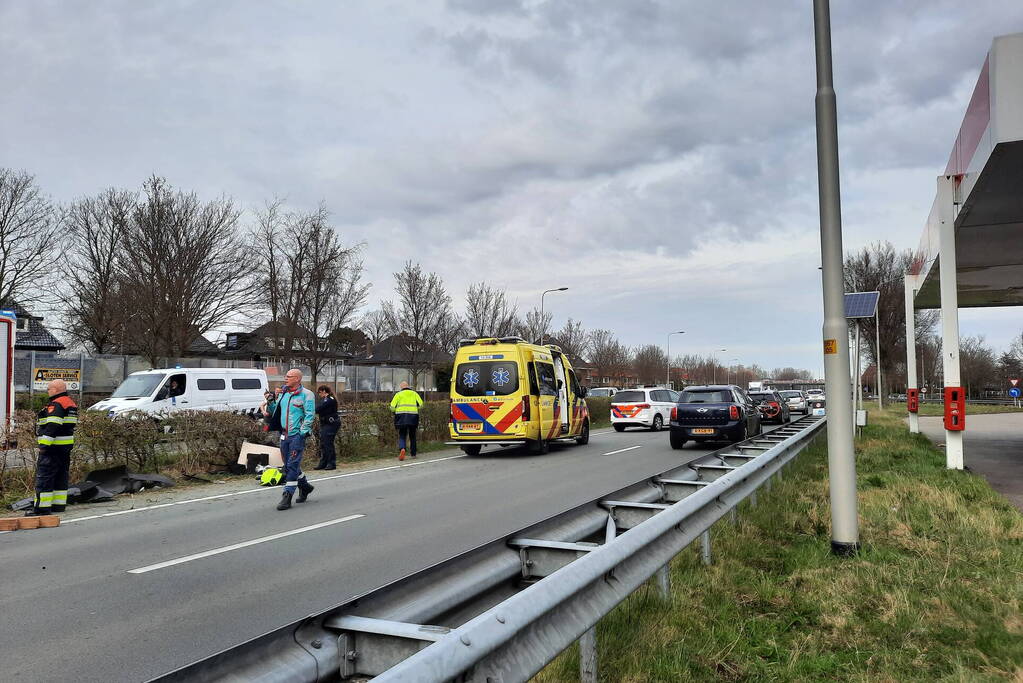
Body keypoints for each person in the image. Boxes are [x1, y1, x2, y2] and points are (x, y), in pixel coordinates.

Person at [264, 369, 315, 510]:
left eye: (289, 377)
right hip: (284, 435)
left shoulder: (307, 395)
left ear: (298, 379)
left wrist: (303, 432)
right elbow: (275, 410)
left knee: (292, 465)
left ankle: (287, 495)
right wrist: (271, 400)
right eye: (285, 376)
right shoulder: (284, 393)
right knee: (288, 466)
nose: (285, 379)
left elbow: (310, 415)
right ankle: (305, 487)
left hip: (297, 435)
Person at [28, 379, 78, 516]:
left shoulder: (57, 404)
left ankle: (41, 509)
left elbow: (53, 425)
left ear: (55, 390)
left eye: (49, 389)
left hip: (53, 448)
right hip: (65, 448)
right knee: (61, 476)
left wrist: (44, 444)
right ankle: (58, 505)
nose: (48, 391)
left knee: (45, 477)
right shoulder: (70, 403)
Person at [389, 381, 423, 461]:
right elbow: (421, 404)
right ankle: (413, 454)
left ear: (401, 387)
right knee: (412, 435)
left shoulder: (398, 394)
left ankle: (402, 448)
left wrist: (395, 411)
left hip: (401, 417)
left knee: (402, 435)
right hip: (413, 417)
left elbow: (392, 406)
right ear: (408, 386)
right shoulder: (414, 393)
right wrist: (416, 409)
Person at [314, 385, 340, 470]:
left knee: (328, 443)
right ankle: (324, 462)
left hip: (331, 424)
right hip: (326, 424)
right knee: (324, 444)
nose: (319, 394)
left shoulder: (330, 400)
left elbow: (318, 409)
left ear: (324, 391)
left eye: (320, 392)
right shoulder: (325, 400)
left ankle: (331, 463)